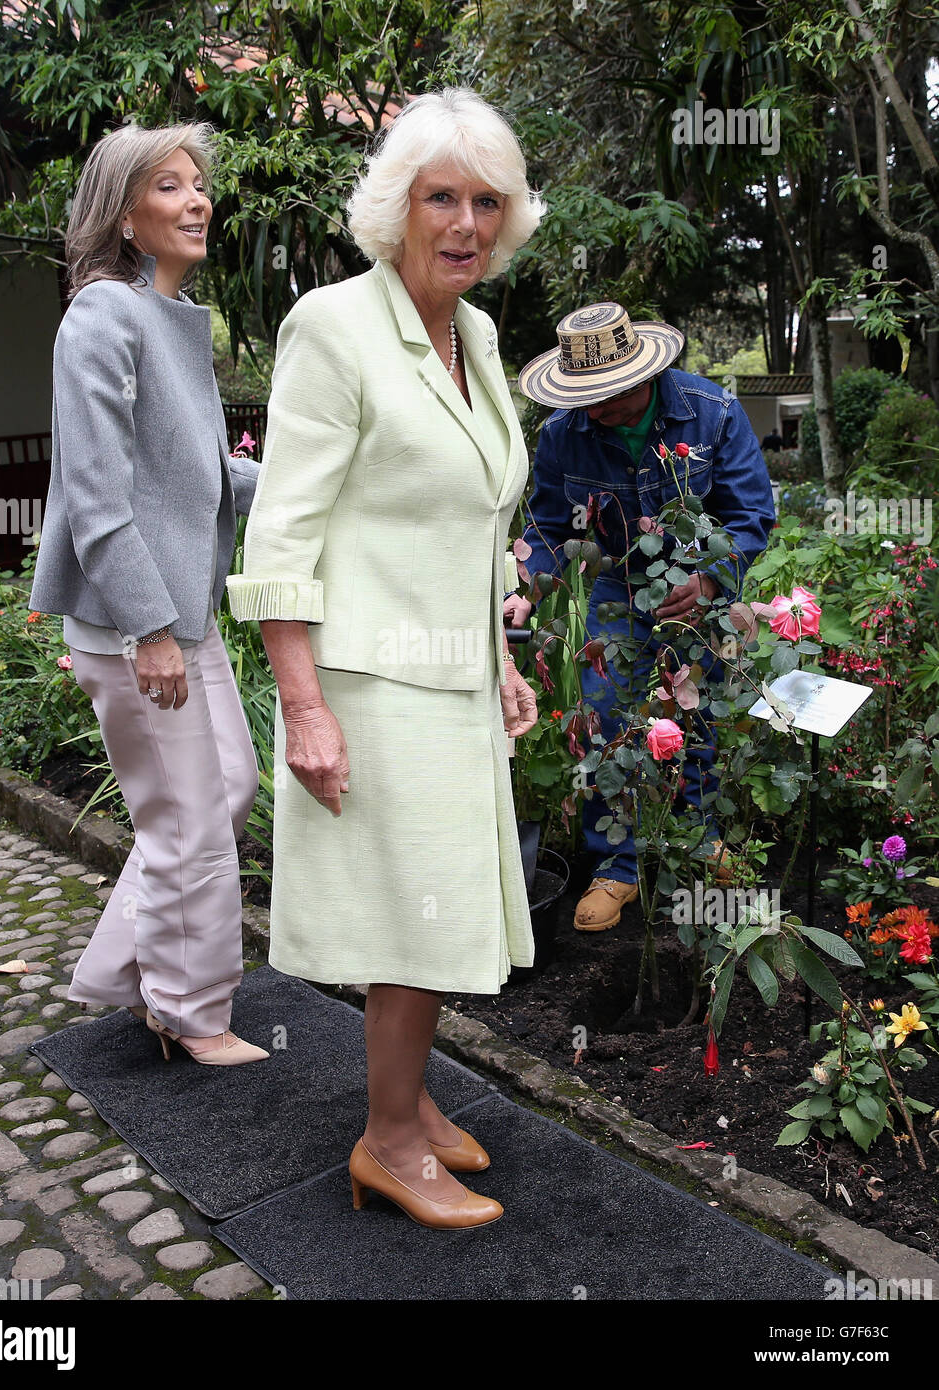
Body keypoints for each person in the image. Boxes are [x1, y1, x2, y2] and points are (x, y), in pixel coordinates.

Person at [227, 87, 544, 1229]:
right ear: (395, 208)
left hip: (453, 674)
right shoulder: (335, 325)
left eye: (484, 202)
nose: (463, 222)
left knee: (446, 910)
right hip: (368, 681)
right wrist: (302, 706)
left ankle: (408, 1106)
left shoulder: (479, 332)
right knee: (411, 924)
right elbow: (283, 532)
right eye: (438, 198)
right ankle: (388, 1140)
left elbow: (478, 518)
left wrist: (499, 654)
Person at [29, 121, 268, 1065]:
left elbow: (204, 478)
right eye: (169, 186)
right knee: (188, 818)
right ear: (128, 217)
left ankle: (128, 973)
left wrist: (319, 484)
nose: (198, 198)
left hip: (181, 613)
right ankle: (188, 1008)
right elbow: (98, 497)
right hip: (138, 624)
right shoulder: (101, 317)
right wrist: (150, 631)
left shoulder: (172, 320)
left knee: (229, 790)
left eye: (200, 182)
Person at [507, 303, 776, 932]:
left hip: (697, 595)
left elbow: (751, 515)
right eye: (584, 398)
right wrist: (525, 587)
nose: (592, 411)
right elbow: (547, 526)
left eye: (606, 398)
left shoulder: (712, 414)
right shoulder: (563, 434)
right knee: (606, 720)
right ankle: (616, 868)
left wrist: (711, 580)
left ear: (642, 379)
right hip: (616, 591)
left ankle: (701, 841)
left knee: (699, 712)